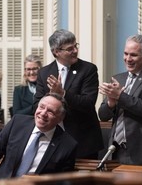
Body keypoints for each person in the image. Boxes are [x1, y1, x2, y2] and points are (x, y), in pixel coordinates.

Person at [0, 93, 78, 179]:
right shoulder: (17, 123)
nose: (43, 113)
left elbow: (64, 180)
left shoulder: (68, 145)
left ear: (60, 118)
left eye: (50, 112)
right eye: (41, 107)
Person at [33, 29, 103, 159]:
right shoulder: (44, 72)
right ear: (56, 52)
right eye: (70, 48)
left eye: (76, 46)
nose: (75, 51)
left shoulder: (88, 70)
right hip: (52, 139)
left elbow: (88, 103)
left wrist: (63, 93)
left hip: (82, 141)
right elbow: (36, 104)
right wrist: (50, 98)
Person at [98, 34, 142, 166]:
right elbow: (103, 116)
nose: (128, 59)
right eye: (125, 53)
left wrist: (120, 96)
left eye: (133, 55)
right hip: (115, 149)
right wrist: (111, 102)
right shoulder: (118, 78)